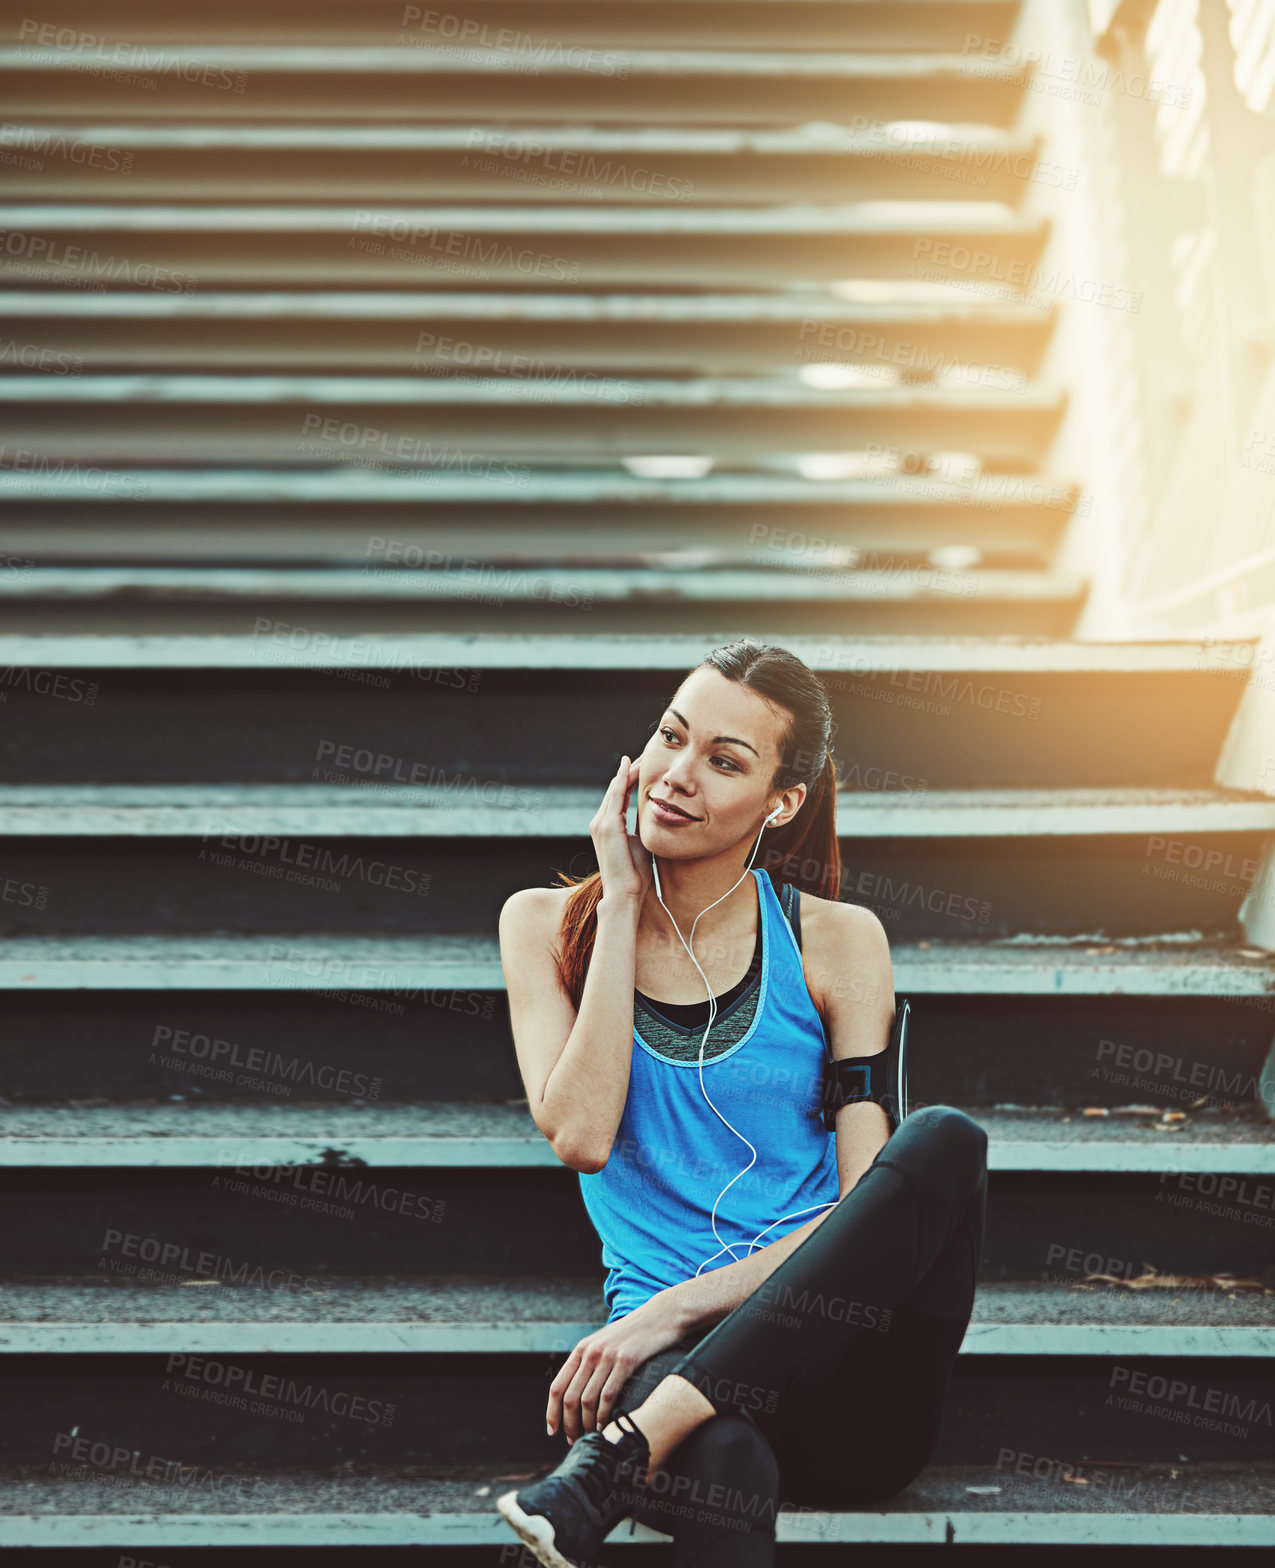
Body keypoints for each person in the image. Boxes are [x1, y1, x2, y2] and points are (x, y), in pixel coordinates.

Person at [494, 637, 987, 1568]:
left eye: (725, 762)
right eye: (671, 738)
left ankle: (619, 1451)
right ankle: (637, 1442)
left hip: (846, 1374)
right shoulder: (542, 924)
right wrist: (624, 903)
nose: (677, 777)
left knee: (942, 1141)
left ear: (782, 801)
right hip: (679, 1380)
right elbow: (582, 1133)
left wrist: (669, 1313)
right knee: (720, 1458)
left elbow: (860, 1212)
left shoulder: (836, 941)